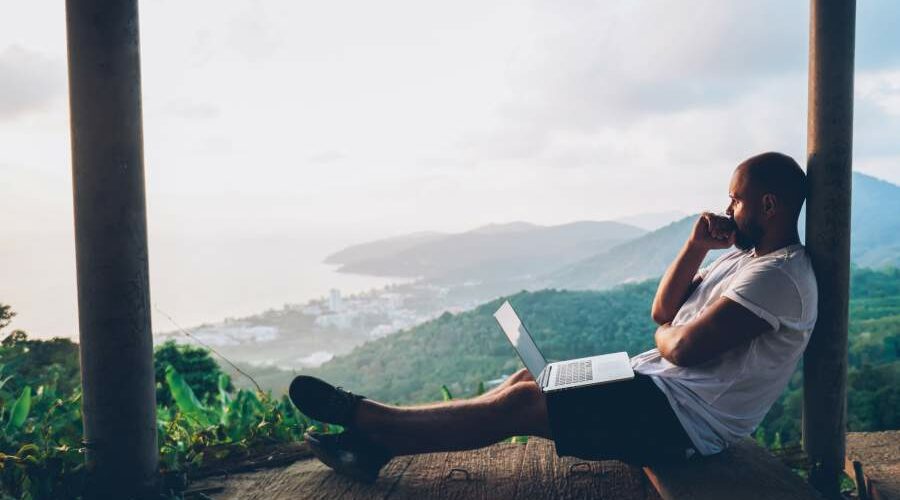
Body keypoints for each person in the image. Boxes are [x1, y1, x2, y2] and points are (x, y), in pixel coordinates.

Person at [288, 151, 818, 482]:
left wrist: (663, 336)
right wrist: (696, 244)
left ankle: (370, 421)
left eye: (736, 202)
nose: (727, 212)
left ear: (768, 206)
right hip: (655, 391)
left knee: (524, 400)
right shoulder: (742, 258)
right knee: (529, 380)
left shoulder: (779, 278)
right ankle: (371, 449)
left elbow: (681, 346)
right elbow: (662, 311)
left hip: (682, 424)